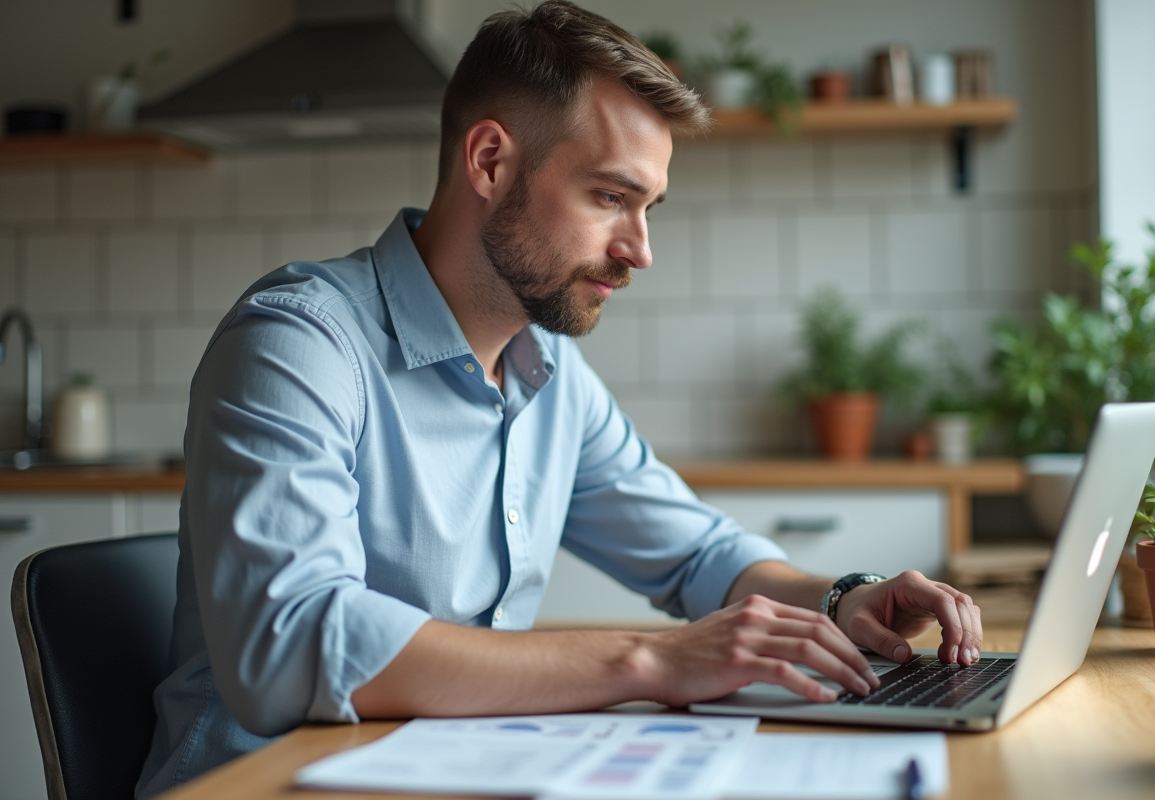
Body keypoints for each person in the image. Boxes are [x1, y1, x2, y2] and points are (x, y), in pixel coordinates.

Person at [136, 2, 981, 796]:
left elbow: (698, 557)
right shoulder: (300, 344)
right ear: (490, 161)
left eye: (648, 208)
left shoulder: (548, 373)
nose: (640, 250)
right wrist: (648, 662)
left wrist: (840, 598)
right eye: (610, 197)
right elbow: (287, 649)